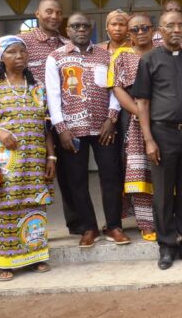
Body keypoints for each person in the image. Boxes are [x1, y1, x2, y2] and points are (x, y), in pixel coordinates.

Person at [0, 36, 55, 281]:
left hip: (34, 162)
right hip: (5, 163)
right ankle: (4, 261)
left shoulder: (36, 87)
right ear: (1, 57)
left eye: (22, 52)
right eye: (12, 52)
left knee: (33, 205)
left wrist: (52, 157)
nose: (19, 57)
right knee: (3, 209)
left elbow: (45, 124)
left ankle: (35, 256)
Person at [133, 9, 182, 269]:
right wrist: (149, 140)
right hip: (162, 135)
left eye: (180, 25)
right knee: (164, 194)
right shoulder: (149, 61)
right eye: (170, 25)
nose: (176, 29)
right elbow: (142, 103)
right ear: (160, 30)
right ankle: (167, 246)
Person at [45, 13, 128, 248]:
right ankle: (88, 228)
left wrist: (111, 119)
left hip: (104, 128)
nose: (81, 29)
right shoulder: (56, 58)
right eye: (75, 26)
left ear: (91, 29)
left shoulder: (106, 55)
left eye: (85, 26)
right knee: (77, 180)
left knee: (111, 177)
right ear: (67, 30)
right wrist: (61, 129)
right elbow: (53, 95)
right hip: (72, 131)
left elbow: (115, 89)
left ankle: (113, 226)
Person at [18, 0, 79, 235]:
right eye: (49, 11)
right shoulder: (23, 42)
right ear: (37, 14)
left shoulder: (67, 43)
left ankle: (76, 224)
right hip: (33, 121)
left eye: (58, 12)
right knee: (33, 175)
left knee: (70, 174)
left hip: (64, 119)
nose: (54, 16)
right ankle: (32, 230)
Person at [110, 14, 157, 241]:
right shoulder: (121, 57)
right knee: (140, 173)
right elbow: (117, 88)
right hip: (137, 123)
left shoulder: (163, 53)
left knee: (165, 172)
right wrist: (141, 113)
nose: (140, 33)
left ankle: (167, 219)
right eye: (135, 30)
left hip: (165, 121)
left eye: (144, 28)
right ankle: (146, 224)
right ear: (129, 34)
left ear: (153, 30)